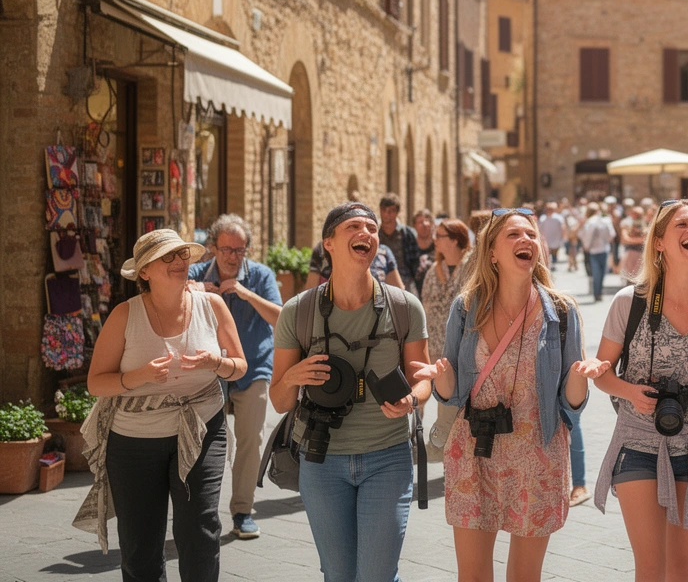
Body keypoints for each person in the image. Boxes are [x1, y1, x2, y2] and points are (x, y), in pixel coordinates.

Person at [414, 208, 595, 582]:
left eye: (530, 235)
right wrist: (441, 378)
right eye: (513, 235)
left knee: (525, 576)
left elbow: (570, 404)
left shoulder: (561, 312)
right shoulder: (465, 307)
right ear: (491, 252)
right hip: (473, 451)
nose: (525, 240)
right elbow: (451, 397)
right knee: (473, 576)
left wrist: (579, 378)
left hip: (537, 456)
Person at [588, 200, 688, 582]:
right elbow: (603, 374)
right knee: (650, 568)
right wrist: (629, 392)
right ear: (659, 241)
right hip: (639, 442)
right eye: (683, 224)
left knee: (680, 570)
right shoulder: (630, 302)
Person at [270, 203, 429, 582]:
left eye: (372, 229)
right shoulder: (298, 312)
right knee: (338, 574)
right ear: (329, 243)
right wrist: (294, 376)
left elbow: (423, 379)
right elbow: (279, 400)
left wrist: (413, 398)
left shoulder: (405, 307)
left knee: (377, 574)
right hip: (322, 461)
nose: (367, 234)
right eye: (354, 227)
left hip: (387, 458)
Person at [76, 229, 247, 580]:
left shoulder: (211, 305)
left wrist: (214, 363)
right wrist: (138, 377)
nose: (179, 262)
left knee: (200, 531)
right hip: (133, 441)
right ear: (144, 272)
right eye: (167, 257)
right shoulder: (125, 315)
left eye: (182, 254)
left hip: (202, 428)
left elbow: (240, 366)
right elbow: (96, 383)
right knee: (141, 545)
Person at [187, 215, 282, 540]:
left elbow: (282, 319)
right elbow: (173, 303)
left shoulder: (261, 275)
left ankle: (242, 511)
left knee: (250, 439)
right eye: (226, 249)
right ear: (213, 247)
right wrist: (198, 291)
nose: (232, 256)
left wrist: (246, 295)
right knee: (202, 440)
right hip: (209, 370)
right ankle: (201, 512)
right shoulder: (197, 273)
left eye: (240, 250)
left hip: (253, 366)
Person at [419, 217, 472, 458]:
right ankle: (425, 444)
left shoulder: (472, 267)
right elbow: (424, 307)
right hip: (435, 346)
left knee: (453, 402)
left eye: (439, 236)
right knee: (426, 396)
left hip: (463, 346)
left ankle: (446, 449)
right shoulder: (433, 270)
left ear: (454, 240)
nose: (434, 240)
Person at [306, 241, 405, 290]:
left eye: (371, 228)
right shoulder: (323, 249)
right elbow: (310, 291)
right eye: (353, 226)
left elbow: (399, 290)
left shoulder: (383, 252)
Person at [579, 202, 616, 302]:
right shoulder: (605, 220)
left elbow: (584, 235)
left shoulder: (589, 222)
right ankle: (598, 292)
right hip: (604, 249)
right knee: (602, 272)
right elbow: (612, 234)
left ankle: (597, 293)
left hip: (594, 250)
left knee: (596, 273)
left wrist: (586, 246)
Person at [378, 193, 419, 281]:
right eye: (384, 210)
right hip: (380, 281)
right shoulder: (375, 234)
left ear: (397, 212)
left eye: (391, 211)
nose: (386, 214)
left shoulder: (407, 234)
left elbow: (415, 263)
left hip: (404, 281)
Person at [408, 209, 437, 295]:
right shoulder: (410, 245)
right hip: (414, 291)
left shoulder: (438, 245)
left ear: (431, 224)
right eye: (420, 222)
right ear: (414, 226)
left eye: (426, 221)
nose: (424, 224)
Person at [618, 205, 648, 285]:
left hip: (642, 254)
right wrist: (641, 240)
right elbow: (625, 239)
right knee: (630, 279)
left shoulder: (646, 223)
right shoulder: (627, 223)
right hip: (631, 253)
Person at [539, 202, 566, 271]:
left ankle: (554, 264)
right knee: (547, 252)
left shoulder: (558, 218)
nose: (549, 210)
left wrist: (563, 237)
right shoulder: (543, 218)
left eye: (550, 209)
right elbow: (539, 229)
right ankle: (548, 265)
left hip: (555, 238)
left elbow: (563, 228)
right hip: (546, 239)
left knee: (554, 252)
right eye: (548, 209)